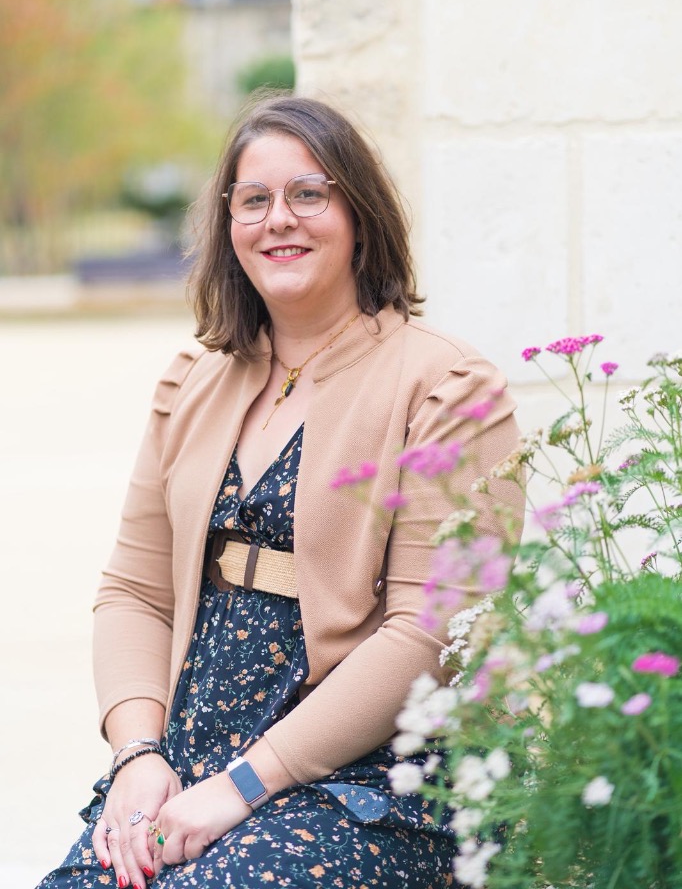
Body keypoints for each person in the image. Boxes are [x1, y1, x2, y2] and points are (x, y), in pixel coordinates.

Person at [37, 95, 523, 889]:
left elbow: (431, 633)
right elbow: (133, 592)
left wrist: (244, 786)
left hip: (369, 777)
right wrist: (137, 755)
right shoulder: (190, 382)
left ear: (358, 213)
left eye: (309, 193)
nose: (279, 219)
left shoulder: (449, 388)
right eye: (254, 200)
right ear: (229, 226)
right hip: (188, 757)